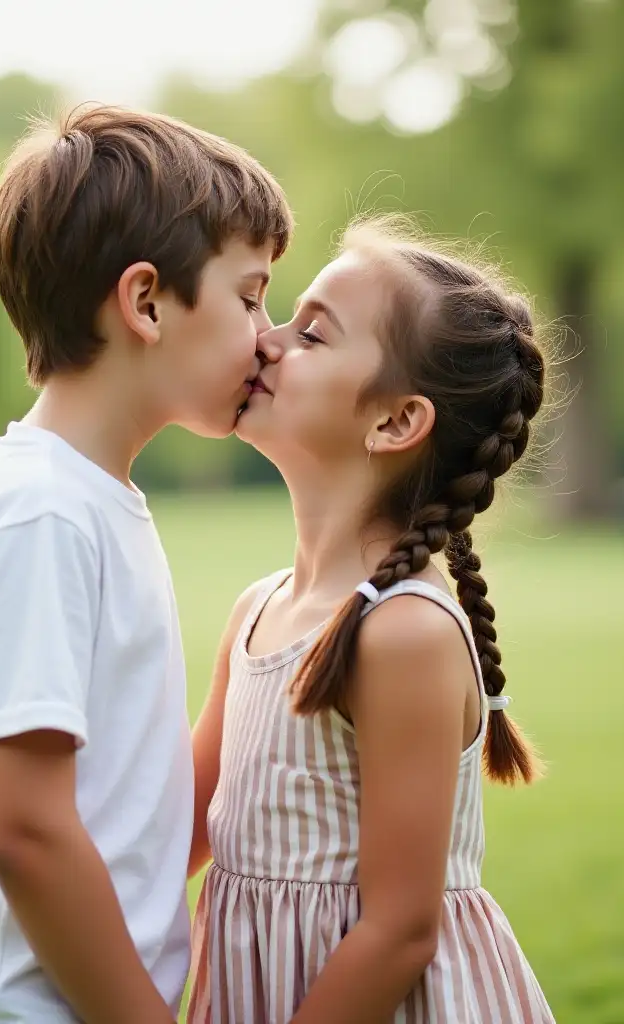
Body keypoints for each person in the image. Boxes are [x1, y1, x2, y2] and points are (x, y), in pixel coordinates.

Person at [0, 104, 292, 1024]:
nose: (270, 333)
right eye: (250, 295)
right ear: (146, 302)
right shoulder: (42, 512)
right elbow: (26, 832)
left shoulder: (92, 500)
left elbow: (133, 822)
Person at [188, 217, 555, 1023]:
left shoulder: (404, 633)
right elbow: (181, 826)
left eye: (311, 334)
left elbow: (399, 931)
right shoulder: (259, 610)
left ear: (394, 421)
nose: (266, 340)